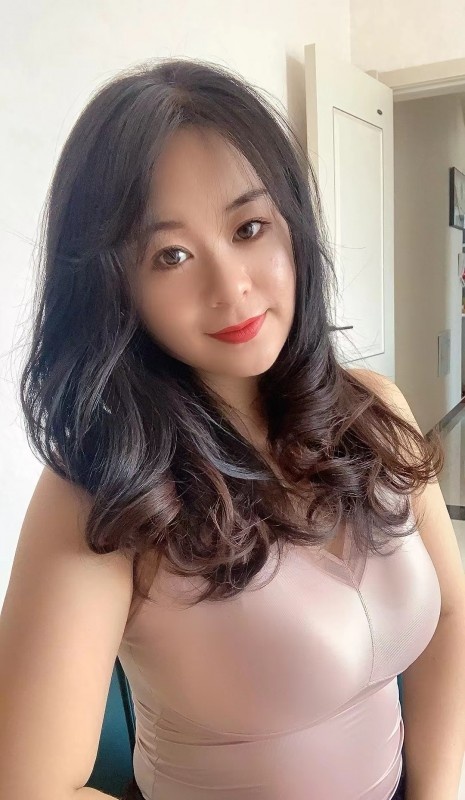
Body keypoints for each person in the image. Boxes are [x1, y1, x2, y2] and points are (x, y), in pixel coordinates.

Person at [1, 56, 464, 800]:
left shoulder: (375, 408)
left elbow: (451, 612)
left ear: (293, 227)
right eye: (171, 255)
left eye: (249, 227)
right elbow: (29, 787)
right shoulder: (102, 487)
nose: (231, 286)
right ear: (114, 285)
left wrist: (436, 791)